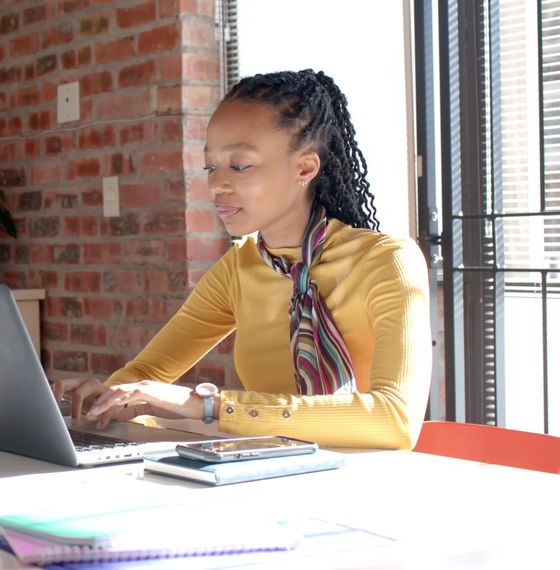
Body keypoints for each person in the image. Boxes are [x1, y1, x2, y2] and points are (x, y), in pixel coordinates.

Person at [53, 69, 431, 450]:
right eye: (210, 166)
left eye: (240, 165)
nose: (216, 184)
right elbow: (146, 375)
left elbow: (393, 418)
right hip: (270, 477)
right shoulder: (239, 268)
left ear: (305, 168)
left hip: (370, 483)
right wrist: (109, 397)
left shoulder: (387, 262)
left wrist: (210, 406)